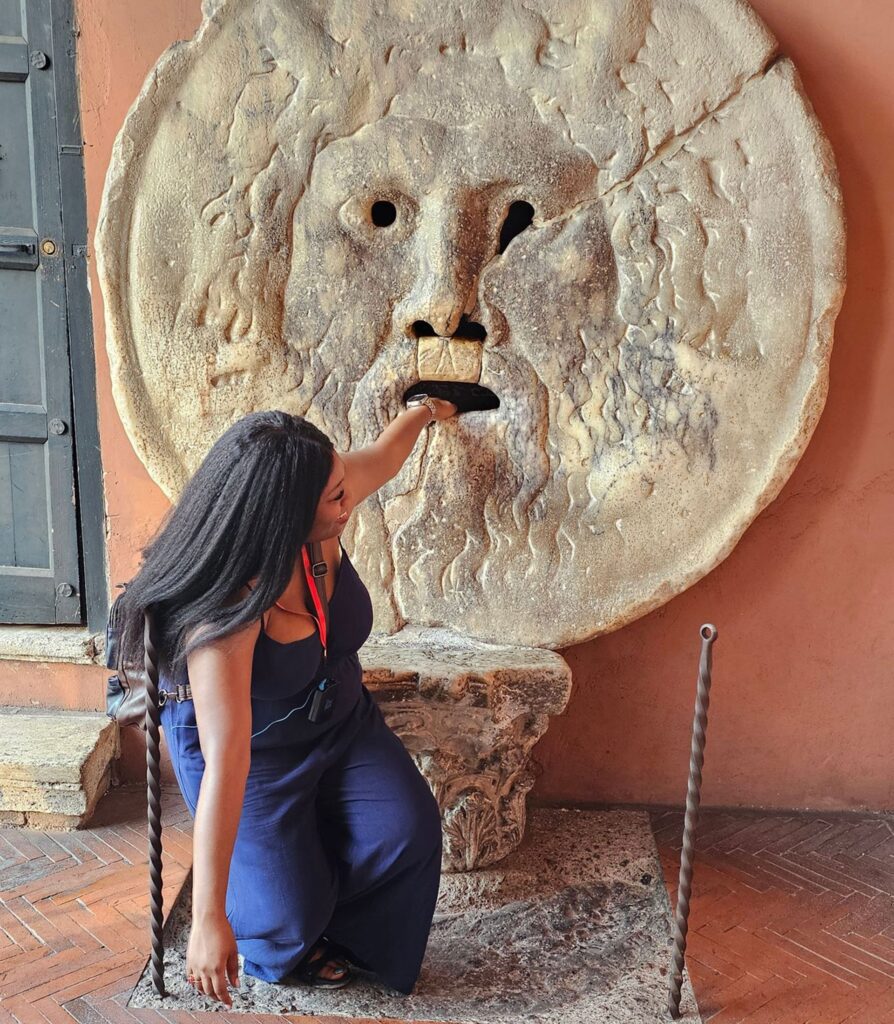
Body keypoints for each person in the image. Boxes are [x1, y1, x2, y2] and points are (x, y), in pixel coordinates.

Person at [114, 395, 458, 1007]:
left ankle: (341, 916)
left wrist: (426, 410)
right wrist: (207, 918)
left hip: (338, 721)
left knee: (407, 831)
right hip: (255, 751)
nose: (348, 499)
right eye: (333, 498)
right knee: (282, 922)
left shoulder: (322, 490)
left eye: (339, 485)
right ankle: (284, 910)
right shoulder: (228, 609)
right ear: (282, 516)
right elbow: (227, 763)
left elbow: (382, 456)